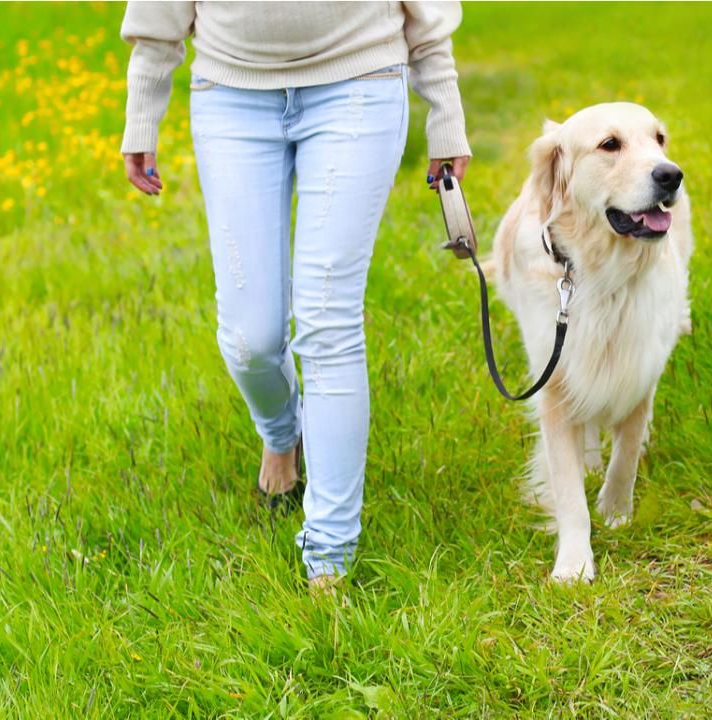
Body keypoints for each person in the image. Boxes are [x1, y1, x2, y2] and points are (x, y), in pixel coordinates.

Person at [120, 1, 471, 589]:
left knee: (328, 320)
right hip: (230, 96)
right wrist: (142, 113)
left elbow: (429, 17)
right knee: (248, 338)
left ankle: (328, 558)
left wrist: (446, 114)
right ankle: (283, 435)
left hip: (358, 84)